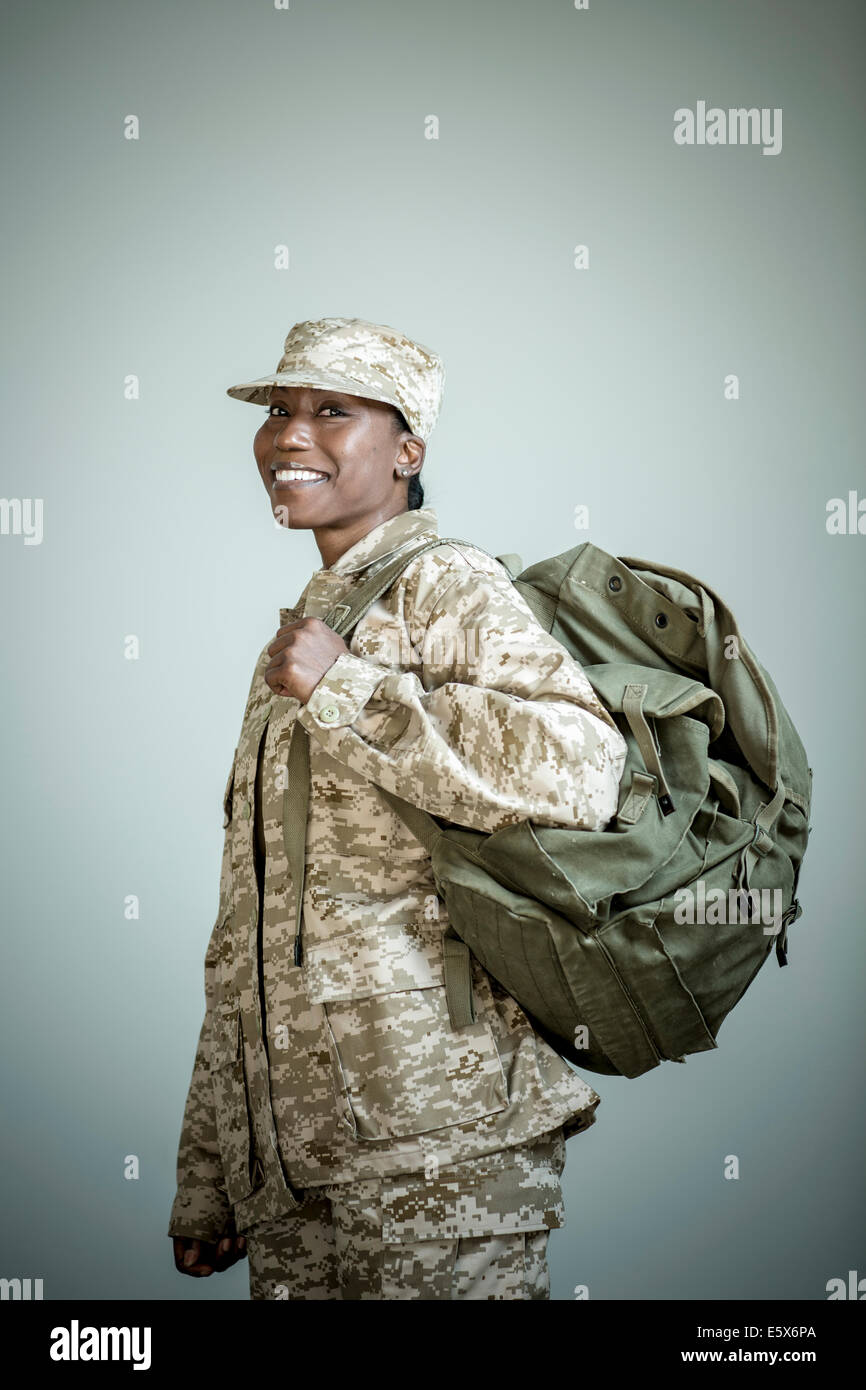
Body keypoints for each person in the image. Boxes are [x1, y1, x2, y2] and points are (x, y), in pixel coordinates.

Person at [168, 316, 628, 1300]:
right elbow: (248, 926)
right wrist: (213, 1171)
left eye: (331, 410)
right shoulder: (308, 626)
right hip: (297, 1168)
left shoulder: (445, 583)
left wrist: (348, 691)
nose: (289, 436)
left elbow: (583, 767)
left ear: (408, 449)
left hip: (438, 1154)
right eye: (279, 413)